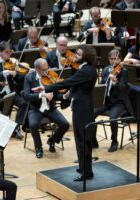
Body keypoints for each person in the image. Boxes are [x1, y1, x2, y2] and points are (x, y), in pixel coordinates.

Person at [32, 45, 97, 181]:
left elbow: (68, 82)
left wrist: (47, 88)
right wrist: (64, 96)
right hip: (82, 108)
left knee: (82, 141)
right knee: (81, 140)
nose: (75, 57)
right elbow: (76, 86)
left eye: (78, 55)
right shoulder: (86, 69)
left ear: (85, 57)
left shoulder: (85, 71)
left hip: (82, 110)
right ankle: (84, 168)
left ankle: (86, 173)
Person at [23, 58, 69, 158]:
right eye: (43, 70)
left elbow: (56, 95)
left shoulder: (51, 76)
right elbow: (26, 96)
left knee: (65, 124)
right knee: (33, 125)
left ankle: (52, 140)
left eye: (47, 68)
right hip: (35, 108)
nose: (46, 71)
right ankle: (38, 147)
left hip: (50, 108)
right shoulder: (29, 77)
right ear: (36, 69)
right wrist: (41, 95)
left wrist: (64, 96)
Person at [92, 49, 133, 152]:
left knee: (113, 118)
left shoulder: (124, 71)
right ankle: (93, 139)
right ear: (109, 59)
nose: (114, 61)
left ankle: (114, 141)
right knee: (91, 113)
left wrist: (115, 81)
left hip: (119, 102)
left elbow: (123, 88)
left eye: (116, 58)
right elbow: (102, 84)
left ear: (120, 59)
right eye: (112, 59)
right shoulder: (106, 70)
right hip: (107, 101)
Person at [0, 41, 28, 134]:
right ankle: (1, 129)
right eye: (7, 52)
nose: (9, 54)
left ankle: (16, 126)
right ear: (0, 52)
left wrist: (24, 73)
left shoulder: (12, 62)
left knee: (23, 103)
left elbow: (19, 79)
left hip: (10, 92)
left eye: (10, 52)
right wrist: (7, 72)